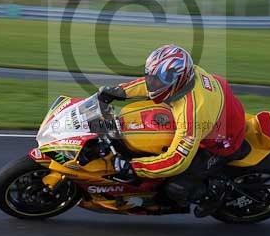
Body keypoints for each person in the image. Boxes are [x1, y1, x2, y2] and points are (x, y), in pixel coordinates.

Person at [98, 44, 247, 217]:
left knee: (176, 187)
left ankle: (213, 195)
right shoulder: (185, 76)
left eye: (158, 80)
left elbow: (177, 161)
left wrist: (135, 167)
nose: (152, 83)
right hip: (223, 110)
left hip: (224, 138)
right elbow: (151, 84)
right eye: (150, 76)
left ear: (178, 79)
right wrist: (120, 91)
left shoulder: (192, 114)